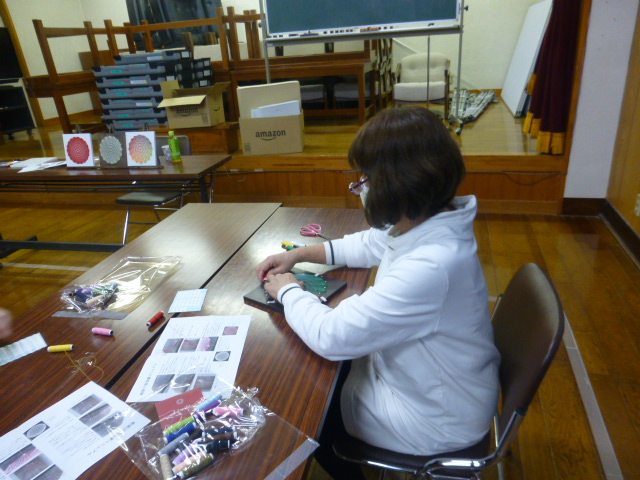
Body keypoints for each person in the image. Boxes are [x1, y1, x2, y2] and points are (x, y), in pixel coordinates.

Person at [256, 106, 500, 479]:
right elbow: (371, 243)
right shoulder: (429, 217)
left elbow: (332, 336)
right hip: (442, 384)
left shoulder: (432, 265)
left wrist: (288, 291)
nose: (361, 187)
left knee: (309, 410)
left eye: (366, 178)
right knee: (325, 375)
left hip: (436, 420)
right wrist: (299, 254)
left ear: (397, 183)